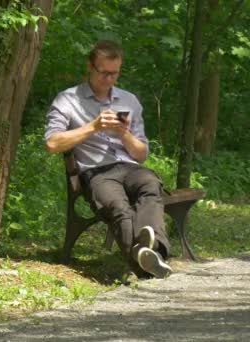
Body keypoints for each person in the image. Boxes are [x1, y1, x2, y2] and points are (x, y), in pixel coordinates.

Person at [44, 40, 172, 278]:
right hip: (96, 171)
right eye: (104, 73)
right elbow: (52, 144)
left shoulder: (129, 100)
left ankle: (150, 252)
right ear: (90, 67)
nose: (110, 79)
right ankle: (148, 262)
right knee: (118, 207)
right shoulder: (68, 99)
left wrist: (124, 134)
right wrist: (93, 127)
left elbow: (142, 154)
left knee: (150, 185)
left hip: (130, 167)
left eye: (115, 74)